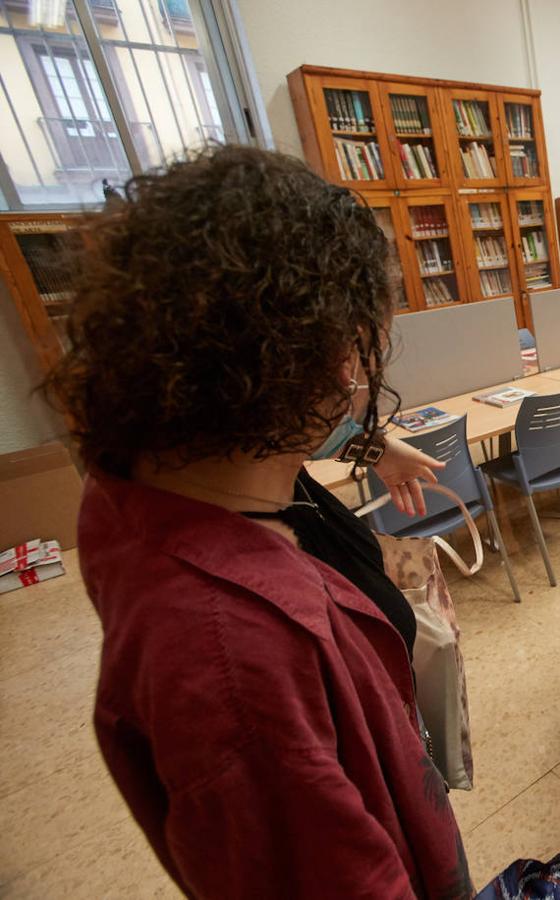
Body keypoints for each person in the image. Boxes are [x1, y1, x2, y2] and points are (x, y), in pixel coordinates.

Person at [45, 145, 473, 898]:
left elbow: (295, 432)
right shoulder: (234, 661)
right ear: (325, 358)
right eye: (353, 355)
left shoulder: (166, 468)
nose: (356, 379)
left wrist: (374, 441)